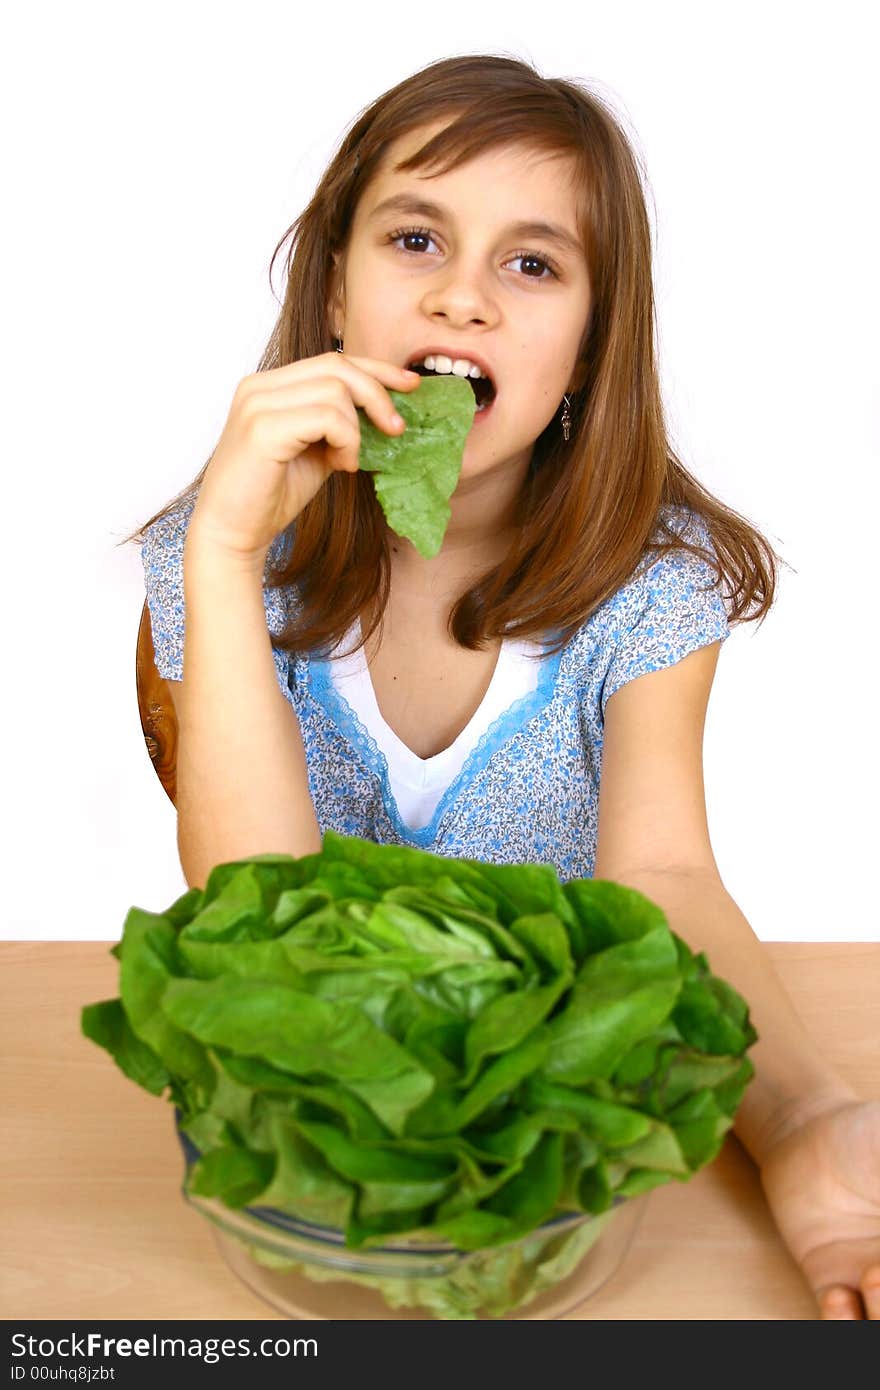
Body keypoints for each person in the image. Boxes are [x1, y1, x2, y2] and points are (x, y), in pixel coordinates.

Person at [126, 54, 879, 1318]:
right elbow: (252, 910)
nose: (463, 297)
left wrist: (810, 1117)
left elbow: (665, 882)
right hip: (321, 1137)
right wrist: (222, 550)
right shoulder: (215, 557)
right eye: (416, 238)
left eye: (532, 264)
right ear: (334, 296)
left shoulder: (650, 589)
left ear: (588, 350)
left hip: (535, 1139)